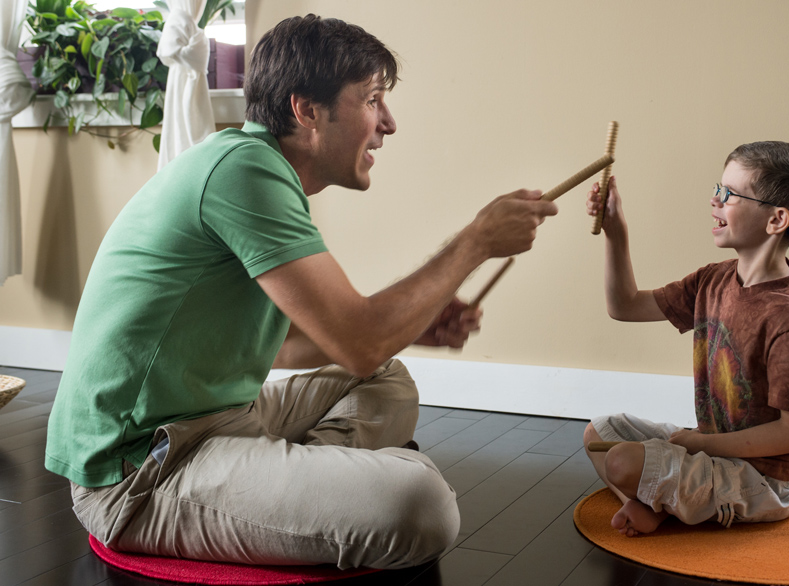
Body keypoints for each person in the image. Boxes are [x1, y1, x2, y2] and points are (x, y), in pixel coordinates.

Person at [45, 15, 558, 569]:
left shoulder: (256, 166)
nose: (388, 123)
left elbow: (287, 346)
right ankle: (289, 493)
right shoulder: (244, 171)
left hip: (219, 420)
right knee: (423, 501)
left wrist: (415, 322)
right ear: (306, 110)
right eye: (372, 99)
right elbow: (358, 339)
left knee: (388, 380)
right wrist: (476, 241)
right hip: (138, 471)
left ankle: (284, 492)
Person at [583, 141, 789, 537]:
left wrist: (699, 444)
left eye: (730, 194)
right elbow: (625, 305)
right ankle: (654, 503)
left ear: (776, 220)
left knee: (621, 464)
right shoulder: (713, 280)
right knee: (601, 431)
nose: (715, 201)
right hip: (711, 450)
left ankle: (658, 501)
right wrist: (616, 231)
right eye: (718, 189)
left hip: (763, 481)